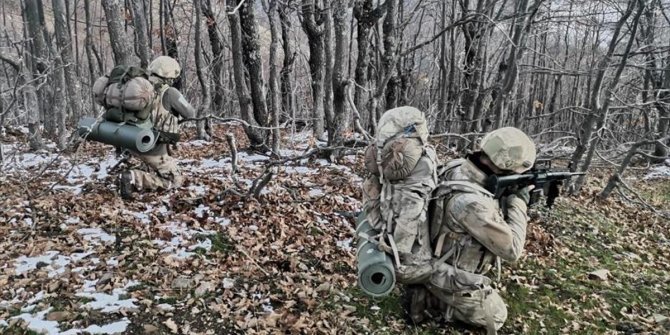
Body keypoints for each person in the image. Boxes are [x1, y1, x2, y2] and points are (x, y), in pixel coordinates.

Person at [405, 127, 536, 334]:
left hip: (434, 253)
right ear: (507, 166)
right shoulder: (473, 204)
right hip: (446, 272)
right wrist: (519, 202)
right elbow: (512, 250)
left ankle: (430, 290)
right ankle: (432, 299)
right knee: (497, 316)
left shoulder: (456, 167)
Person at [118, 56, 195, 199]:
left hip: (130, 141)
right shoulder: (170, 92)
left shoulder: (138, 87)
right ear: (170, 74)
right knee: (174, 181)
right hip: (153, 147)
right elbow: (190, 113)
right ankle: (134, 177)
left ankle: (138, 168)